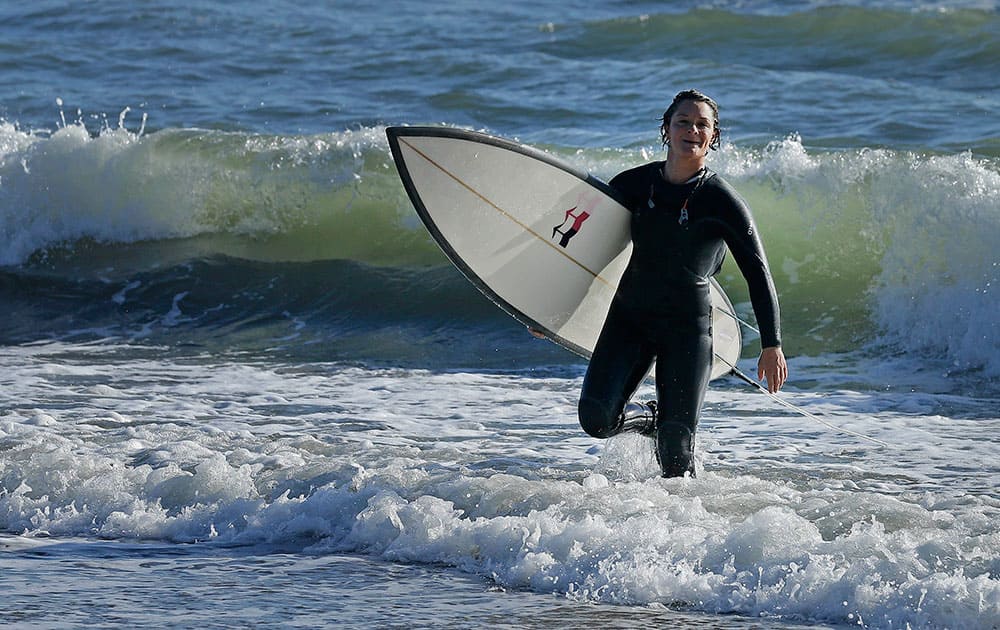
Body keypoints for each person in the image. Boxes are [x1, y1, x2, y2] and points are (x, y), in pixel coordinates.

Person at [578, 89, 787, 478]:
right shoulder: (633, 185)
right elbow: (588, 250)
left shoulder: (722, 201)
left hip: (687, 329)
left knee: (677, 450)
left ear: (714, 136)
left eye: (702, 124)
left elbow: (758, 272)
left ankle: (681, 528)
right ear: (667, 129)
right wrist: (546, 306)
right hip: (630, 319)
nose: (692, 129)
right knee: (597, 419)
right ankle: (649, 419)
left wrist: (771, 344)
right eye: (683, 121)